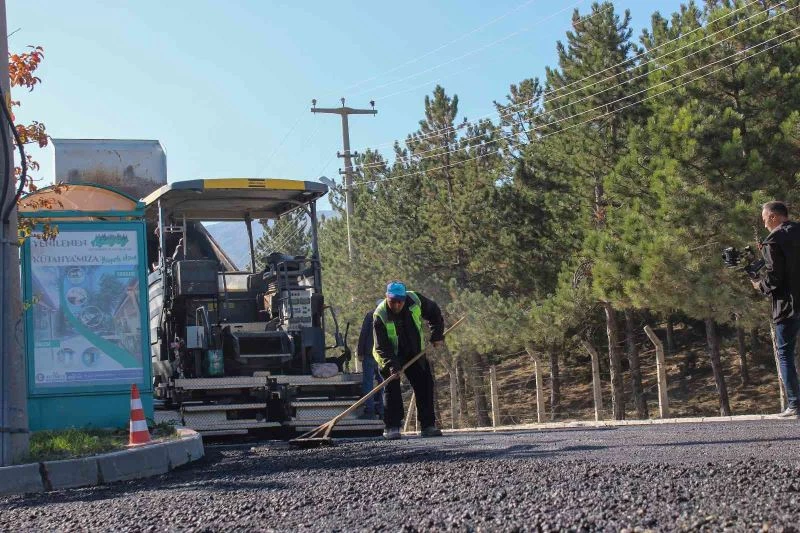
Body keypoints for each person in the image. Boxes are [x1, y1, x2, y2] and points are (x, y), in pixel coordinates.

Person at [373, 280, 444, 439]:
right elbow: (381, 346)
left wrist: (437, 334)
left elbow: (434, 313)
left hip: (414, 352)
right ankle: (392, 427)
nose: (397, 305)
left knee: (425, 385)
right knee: (392, 389)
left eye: (400, 301)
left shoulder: (415, 300)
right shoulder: (380, 315)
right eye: (393, 301)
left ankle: (428, 426)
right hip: (389, 355)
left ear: (405, 298)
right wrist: (392, 365)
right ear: (386, 298)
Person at [752, 201, 800, 417]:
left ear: (773, 217)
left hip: (788, 306)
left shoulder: (773, 239)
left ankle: (795, 403)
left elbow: (774, 278)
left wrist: (759, 285)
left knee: (785, 354)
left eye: (764, 220)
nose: (764, 226)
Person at [356, 302, 384, 419]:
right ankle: (383, 410)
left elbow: (364, 334)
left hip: (369, 354)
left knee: (368, 382)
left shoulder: (370, 315)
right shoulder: (388, 315)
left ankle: (370, 410)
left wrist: (360, 352)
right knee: (383, 383)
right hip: (383, 355)